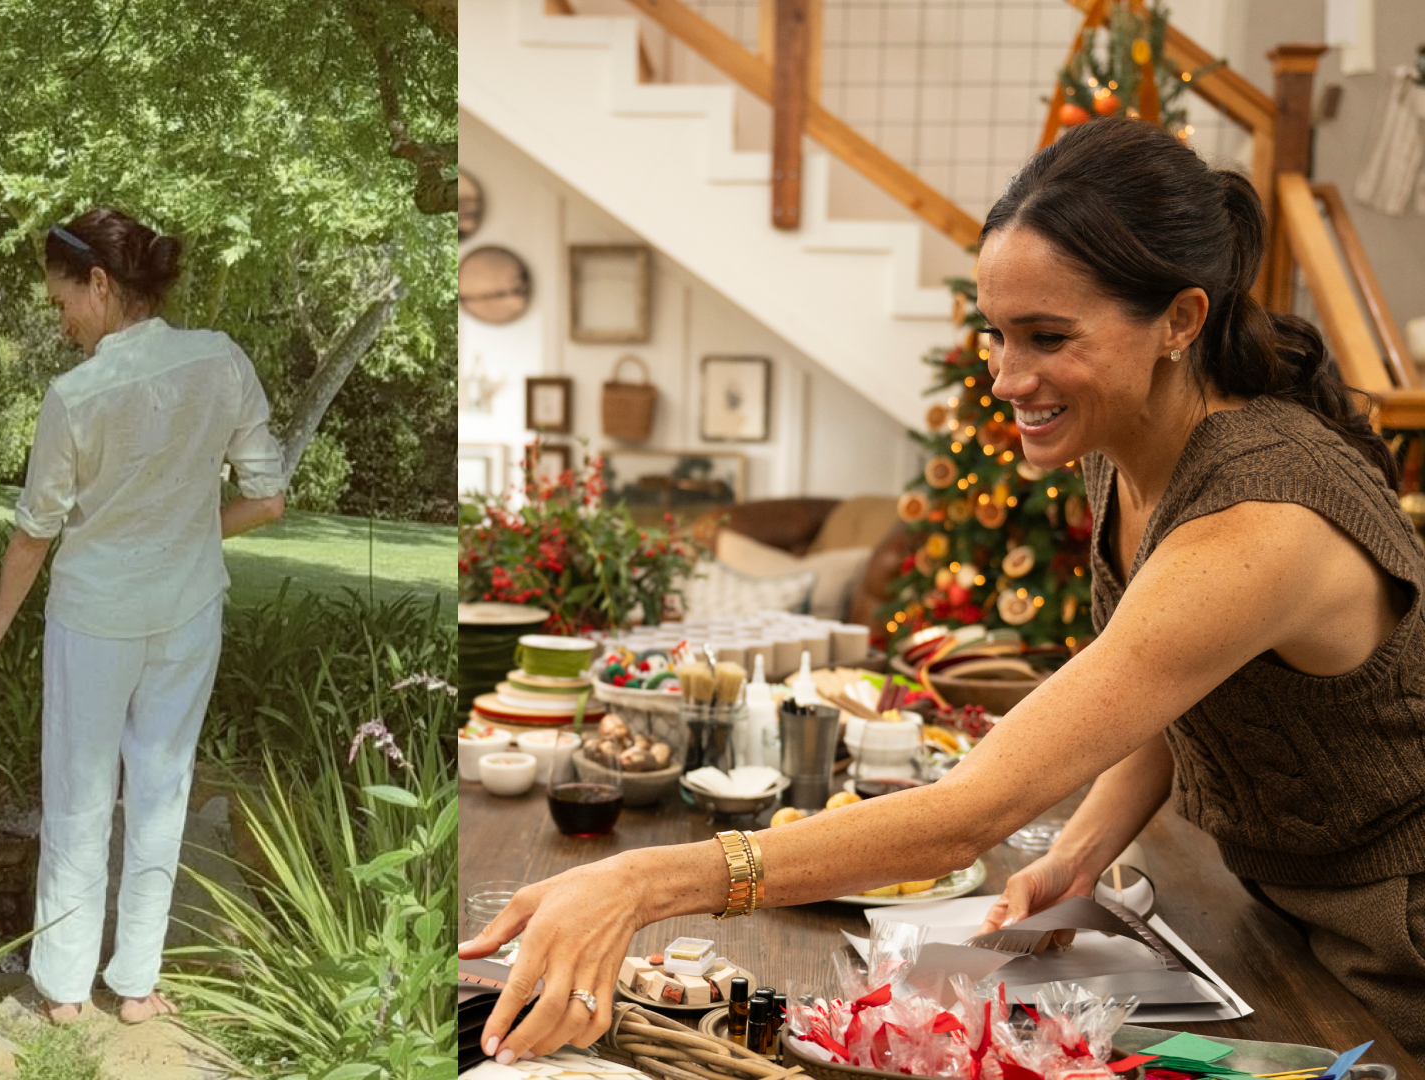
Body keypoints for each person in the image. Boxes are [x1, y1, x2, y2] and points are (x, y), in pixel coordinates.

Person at [461, 115, 1425, 1062]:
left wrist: (647, 883)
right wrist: (1078, 855)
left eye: (1047, 336)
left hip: (1400, 946)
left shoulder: (1262, 516)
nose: (1007, 377)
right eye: (997, 334)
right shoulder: (1128, 447)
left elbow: (967, 817)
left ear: (1179, 321)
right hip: (1293, 912)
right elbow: (1177, 692)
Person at [0, 207, 287, 1026]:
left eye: (60, 302)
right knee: (163, 786)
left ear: (101, 284)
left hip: (96, 615)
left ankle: (66, 988)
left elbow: (33, 535)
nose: (62, 321)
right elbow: (268, 496)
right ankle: (138, 984)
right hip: (188, 613)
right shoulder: (220, 361)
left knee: (78, 791)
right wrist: (186, 530)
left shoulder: (76, 397)